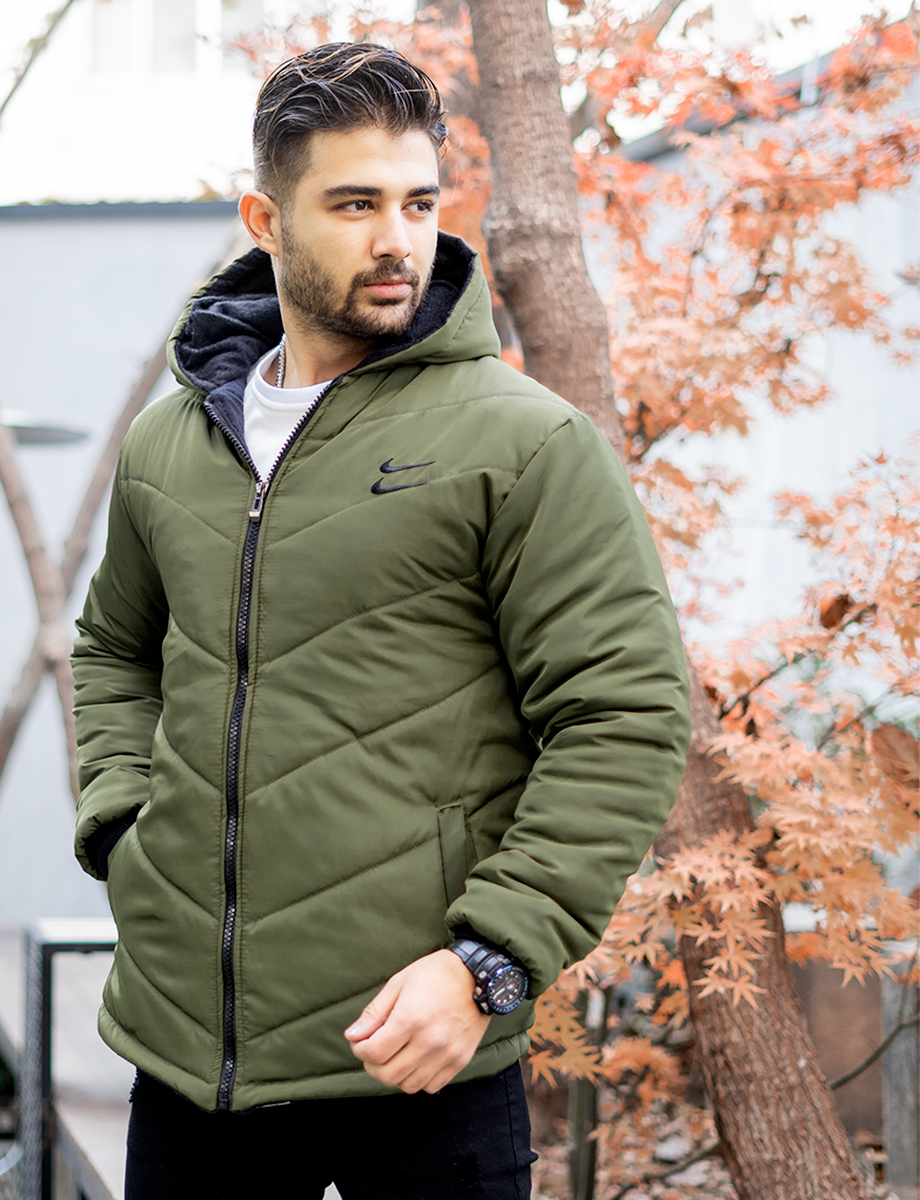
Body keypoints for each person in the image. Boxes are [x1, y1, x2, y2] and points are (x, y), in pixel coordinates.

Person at [71, 41, 691, 1200]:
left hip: (418, 1059)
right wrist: (124, 823)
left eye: (418, 202)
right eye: (355, 204)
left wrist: (490, 962)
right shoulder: (170, 444)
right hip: (190, 1057)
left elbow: (625, 714)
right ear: (266, 219)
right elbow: (114, 647)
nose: (398, 238)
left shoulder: (524, 442)